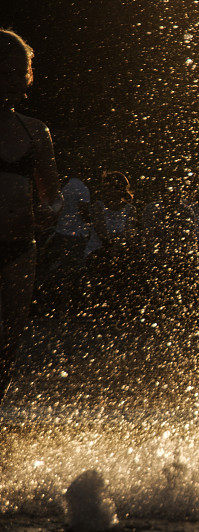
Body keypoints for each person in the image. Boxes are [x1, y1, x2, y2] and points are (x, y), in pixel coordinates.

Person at [0, 30, 62, 400]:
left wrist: (47, 212)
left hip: (20, 247)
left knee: (8, 342)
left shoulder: (36, 131)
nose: (13, 78)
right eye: (5, 70)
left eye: (17, 70)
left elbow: (53, 196)